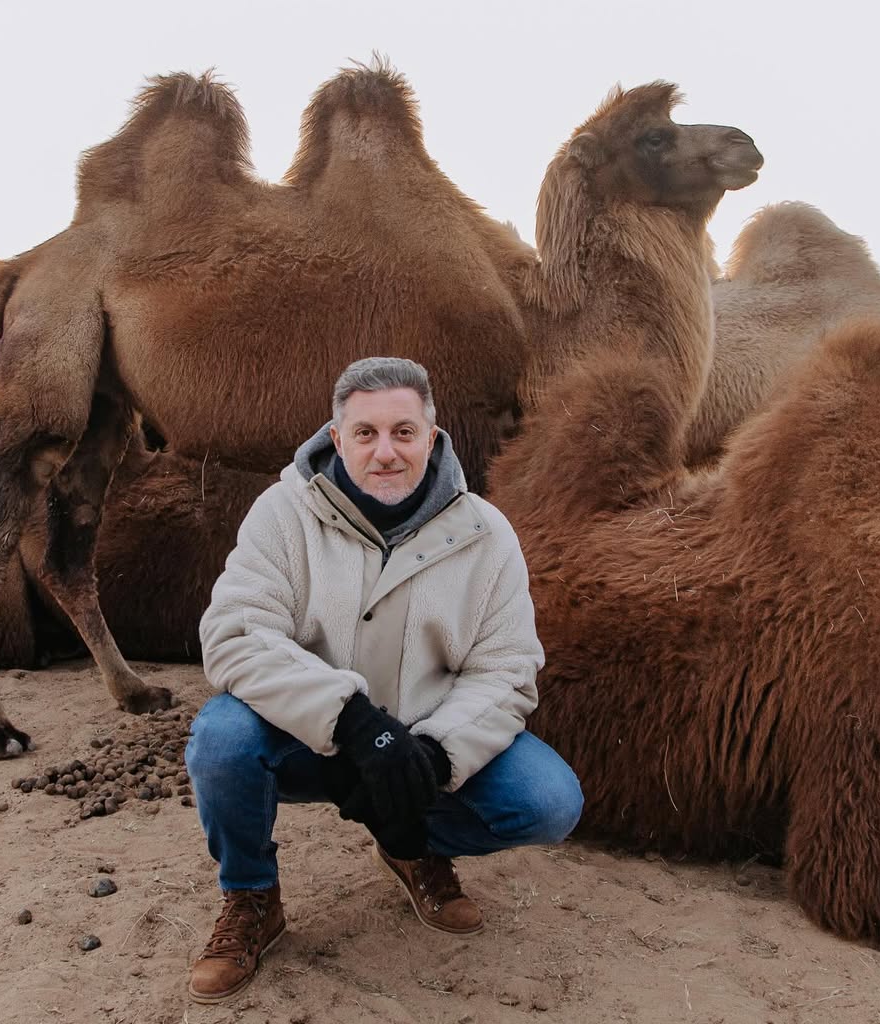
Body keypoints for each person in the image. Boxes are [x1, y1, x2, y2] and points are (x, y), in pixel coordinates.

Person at [185, 357, 583, 1005]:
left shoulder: (487, 533)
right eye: (365, 434)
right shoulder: (282, 513)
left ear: (432, 436)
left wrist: (432, 756)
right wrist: (352, 723)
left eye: (403, 432)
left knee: (549, 802)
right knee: (220, 738)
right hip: (307, 734)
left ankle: (411, 844)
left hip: (426, 737)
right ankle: (253, 895)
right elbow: (235, 634)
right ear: (337, 439)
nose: (386, 452)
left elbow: (506, 670)